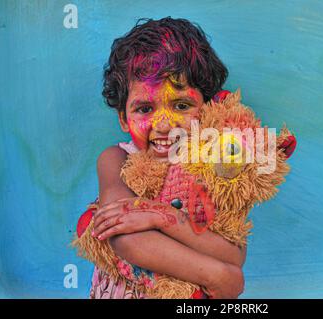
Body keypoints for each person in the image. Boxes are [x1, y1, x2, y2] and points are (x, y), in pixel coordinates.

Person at [84, 17, 246, 299]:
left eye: (181, 105)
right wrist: (218, 276)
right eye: (145, 108)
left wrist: (162, 217)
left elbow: (234, 254)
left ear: (208, 109)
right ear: (123, 118)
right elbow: (123, 234)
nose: (162, 124)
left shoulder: (216, 171)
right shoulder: (116, 159)